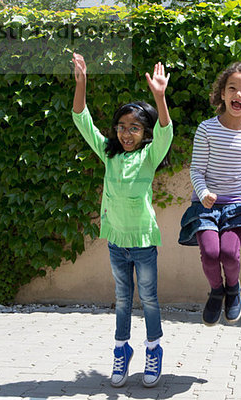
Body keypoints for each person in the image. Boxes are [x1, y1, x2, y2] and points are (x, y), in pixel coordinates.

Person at [72, 53, 172, 388]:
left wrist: (159, 97)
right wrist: (81, 83)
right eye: (122, 127)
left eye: (134, 128)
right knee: (122, 299)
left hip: (143, 243)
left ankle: (153, 350)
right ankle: (121, 350)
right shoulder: (109, 154)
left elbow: (165, 133)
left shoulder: (148, 157)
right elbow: (81, 118)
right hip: (116, 241)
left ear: (143, 133)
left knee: (150, 299)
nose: (126, 133)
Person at [178, 61, 241, 326]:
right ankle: (217, 290)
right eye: (232, 89)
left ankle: (233, 288)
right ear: (223, 94)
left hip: (237, 207)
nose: (238, 95)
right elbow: (197, 170)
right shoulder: (207, 129)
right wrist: (202, 191)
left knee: (229, 253)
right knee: (210, 253)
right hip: (207, 205)